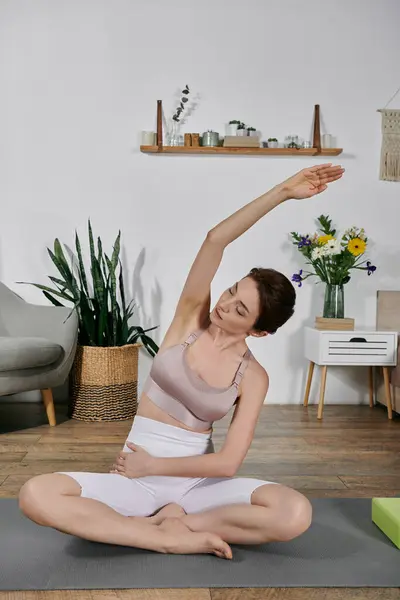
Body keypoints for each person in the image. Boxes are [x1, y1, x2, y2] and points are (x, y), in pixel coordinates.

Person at [19, 163, 344, 559]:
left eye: (240, 309)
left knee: (295, 512)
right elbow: (214, 241)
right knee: (36, 494)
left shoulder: (253, 376)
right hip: (134, 479)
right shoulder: (191, 319)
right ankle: (164, 536)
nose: (224, 305)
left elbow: (227, 464)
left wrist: (155, 467)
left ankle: (174, 523)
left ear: (259, 331)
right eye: (230, 291)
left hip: (196, 484)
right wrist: (282, 192)